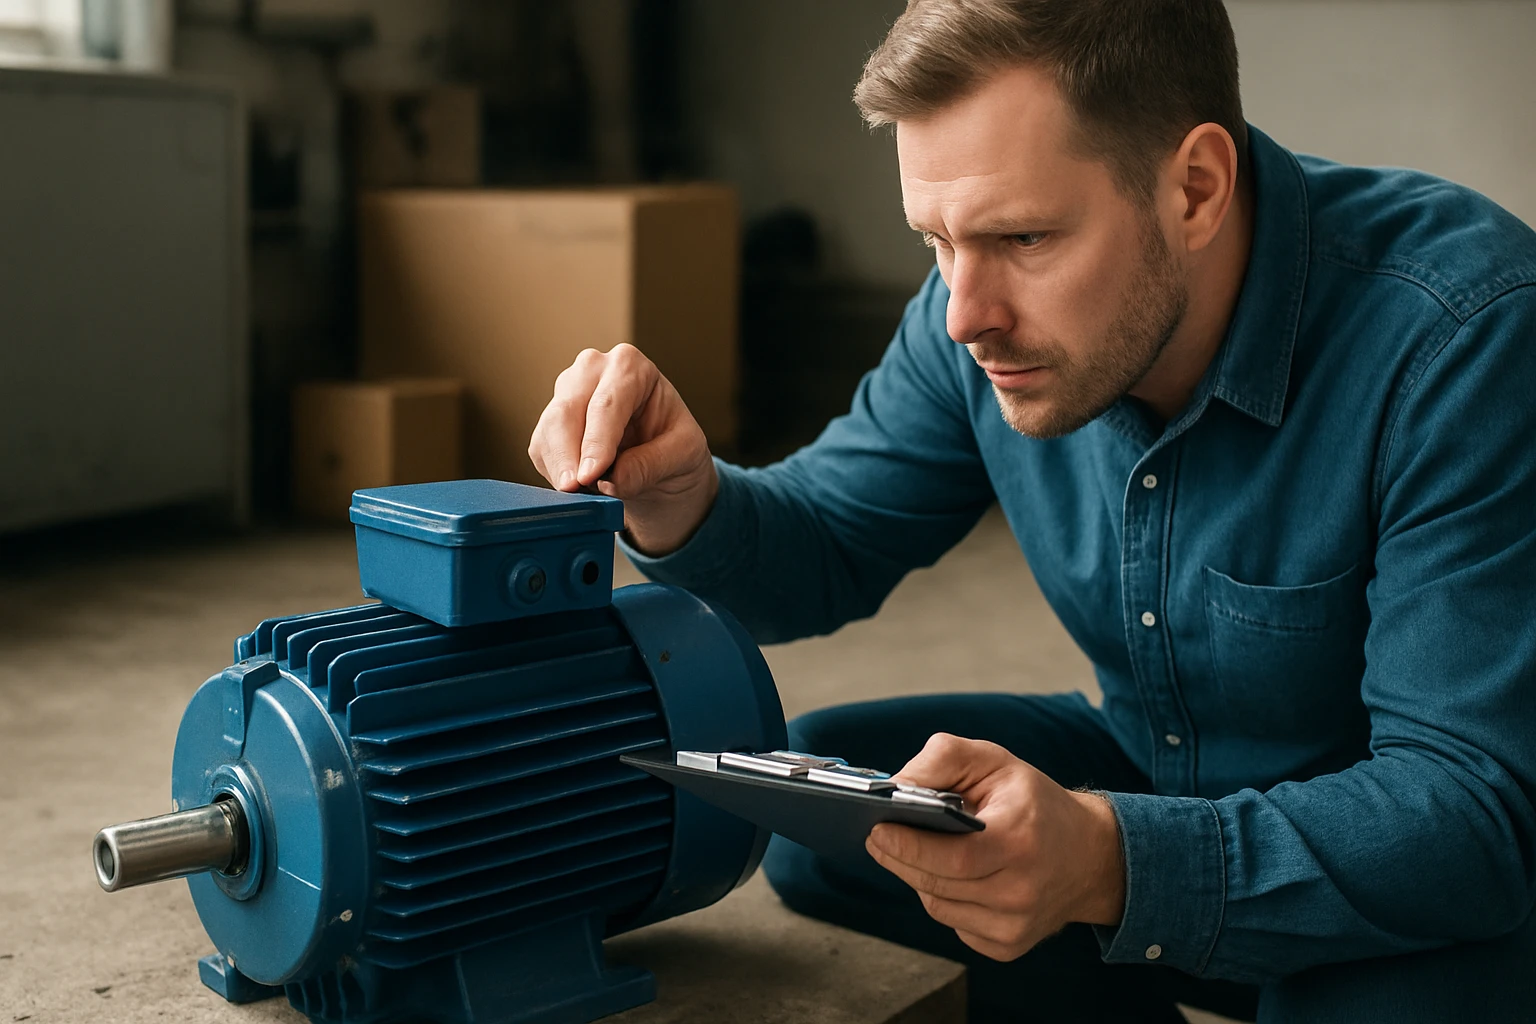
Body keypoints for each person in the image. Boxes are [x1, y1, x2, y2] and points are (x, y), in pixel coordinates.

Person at [527, 1, 1536, 1020]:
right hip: (1155, 768)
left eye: (1024, 235)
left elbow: (1471, 808)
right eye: (935, 240)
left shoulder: (1463, 336)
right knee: (827, 804)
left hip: (1410, 856)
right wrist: (683, 494)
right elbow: (826, 538)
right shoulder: (972, 315)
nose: (966, 313)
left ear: (1196, 188)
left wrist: (1110, 861)